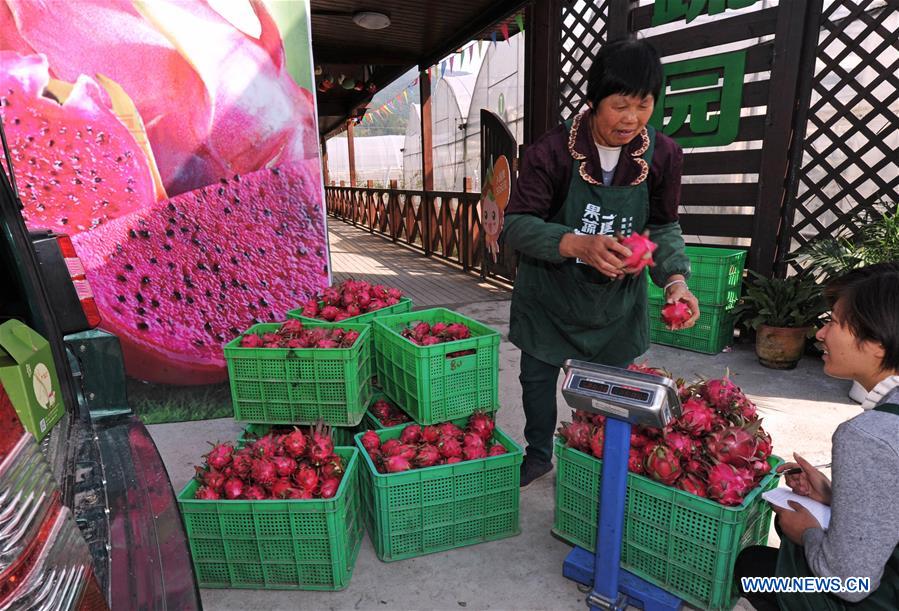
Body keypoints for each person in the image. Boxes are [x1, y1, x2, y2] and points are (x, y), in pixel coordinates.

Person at [500, 36, 700, 487]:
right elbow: (516, 226)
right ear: (592, 102)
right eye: (620, 105)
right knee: (537, 379)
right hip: (549, 294)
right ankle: (537, 453)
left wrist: (674, 280)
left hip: (616, 303)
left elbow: (664, 226)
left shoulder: (663, 155)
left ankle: (589, 456)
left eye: (644, 105)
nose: (632, 119)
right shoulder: (551, 152)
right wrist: (578, 243)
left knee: (610, 394)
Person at [735, 262, 899, 610]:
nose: (820, 334)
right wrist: (833, 496)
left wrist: (806, 532)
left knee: (754, 567)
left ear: (878, 344)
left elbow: (848, 582)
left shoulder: (868, 436)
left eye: (835, 322)